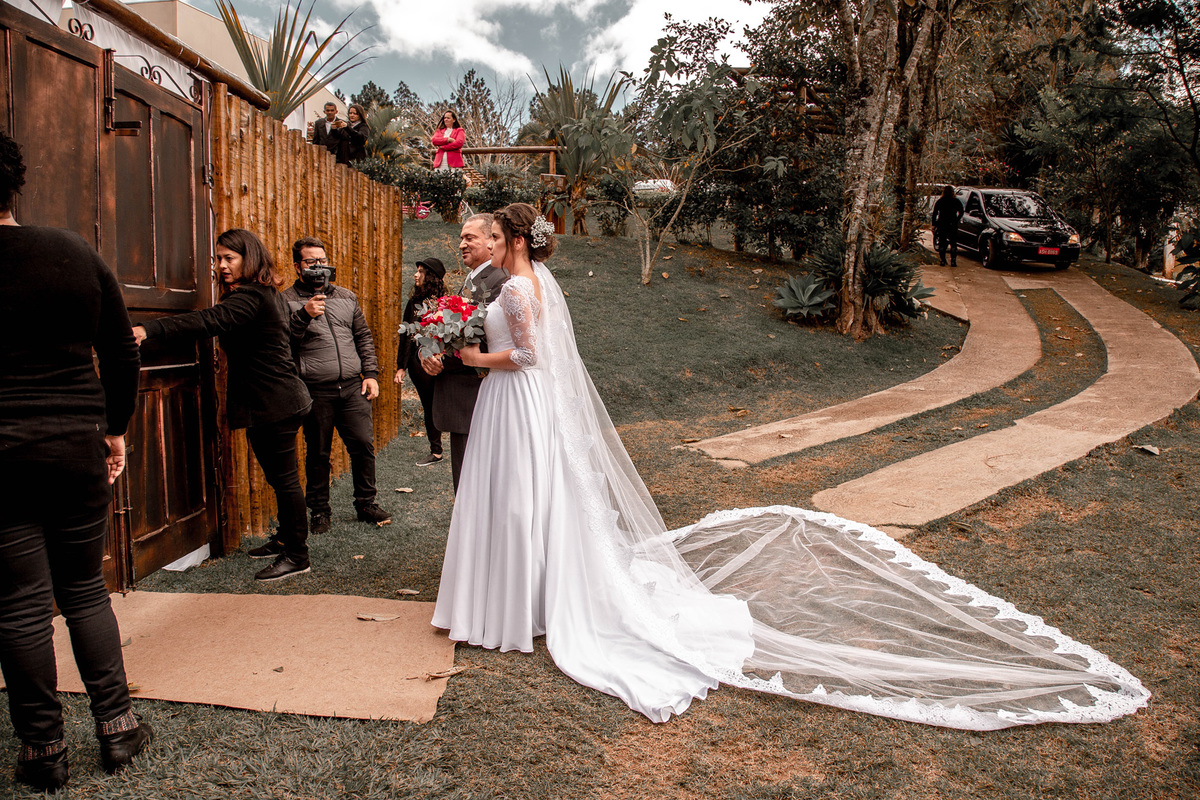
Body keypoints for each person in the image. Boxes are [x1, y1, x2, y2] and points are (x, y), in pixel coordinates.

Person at [431, 202, 1150, 730]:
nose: (475, 245)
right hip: (519, 406)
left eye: (486, 235)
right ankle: (521, 597)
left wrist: (471, 355)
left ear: (512, 239)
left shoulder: (520, 289)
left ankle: (519, 602)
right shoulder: (522, 284)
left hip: (515, 396)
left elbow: (529, 355)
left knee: (521, 499)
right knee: (525, 500)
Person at [0, 131, 151, 792]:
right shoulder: (71, 251)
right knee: (85, 588)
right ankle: (117, 727)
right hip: (74, 443)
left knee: (20, 604)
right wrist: (113, 431)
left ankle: (43, 750)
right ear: (15, 182)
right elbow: (120, 353)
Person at [134, 229, 313, 583]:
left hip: (275, 403)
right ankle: (285, 539)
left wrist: (148, 330)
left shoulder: (251, 297)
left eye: (229, 258)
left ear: (250, 258)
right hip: (277, 400)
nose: (221, 265)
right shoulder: (265, 293)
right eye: (218, 259)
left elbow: (207, 321)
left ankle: (297, 555)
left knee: (285, 481)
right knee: (280, 479)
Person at [282, 236, 390, 531]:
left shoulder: (346, 297)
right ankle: (319, 511)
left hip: (353, 386)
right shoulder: (285, 300)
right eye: (311, 262)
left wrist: (370, 374)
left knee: (363, 444)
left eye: (322, 260)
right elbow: (284, 342)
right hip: (315, 389)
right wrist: (303, 316)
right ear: (297, 266)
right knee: (318, 451)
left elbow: (363, 337)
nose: (318, 266)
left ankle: (366, 503)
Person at [420, 213, 507, 491]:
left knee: (472, 486)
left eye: (470, 238)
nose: (462, 244)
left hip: (475, 398)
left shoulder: (499, 280)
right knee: (467, 483)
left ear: (491, 240)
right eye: (461, 238)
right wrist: (428, 351)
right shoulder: (473, 278)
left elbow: (490, 340)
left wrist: (441, 359)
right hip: (463, 400)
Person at [394, 257, 448, 467]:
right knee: (428, 405)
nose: (416, 275)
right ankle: (436, 451)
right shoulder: (414, 303)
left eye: (420, 271)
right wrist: (401, 367)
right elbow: (405, 336)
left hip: (444, 362)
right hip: (418, 365)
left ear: (431, 276)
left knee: (446, 402)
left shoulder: (447, 302)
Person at [932, 184, 964, 266]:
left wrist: (934, 224)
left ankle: (942, 260)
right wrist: (957, 219)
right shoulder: (956, 201)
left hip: (942, 223)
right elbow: (961, 211)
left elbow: (935, 213)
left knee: (942, 242)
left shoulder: (940, 201)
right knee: (953, 242)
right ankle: (953, 261)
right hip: (952, 223)